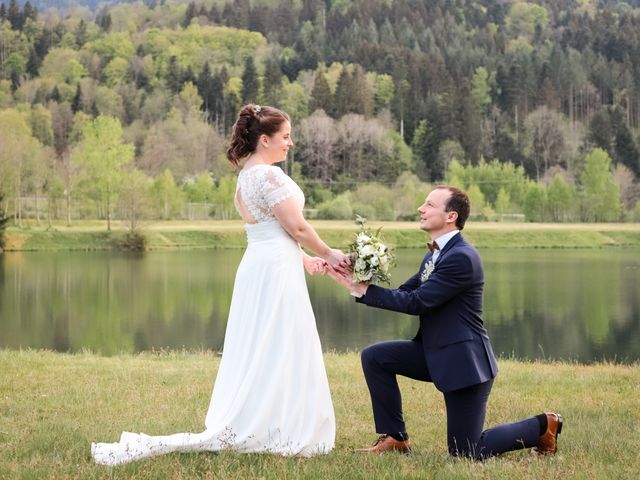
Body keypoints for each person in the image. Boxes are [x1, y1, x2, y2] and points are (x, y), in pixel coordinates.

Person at [92, 104, 350, 466]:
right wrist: (329, 252)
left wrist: (305, 260)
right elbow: (297, 228)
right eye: (286, 137)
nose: (291, 144)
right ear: (265, 139)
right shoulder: (269, 177)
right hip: (273, 269)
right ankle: (277, 424)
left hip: (264, 264)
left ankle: (270, 417)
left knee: (268, 342)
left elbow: (269, 232)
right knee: (280, 340)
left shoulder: (246, 177)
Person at [327, 186, 563, 459]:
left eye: (429, 204)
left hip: (464, 364)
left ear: (451, 216)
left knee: (466, 451)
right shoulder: (435, 254)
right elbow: (406, 293)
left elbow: (418, 302)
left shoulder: (461, 257)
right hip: (435, 352)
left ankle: (544, 425)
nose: (420, 209)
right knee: (375, 357)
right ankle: (396, 438)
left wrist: (363, 291)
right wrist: (353, 277)